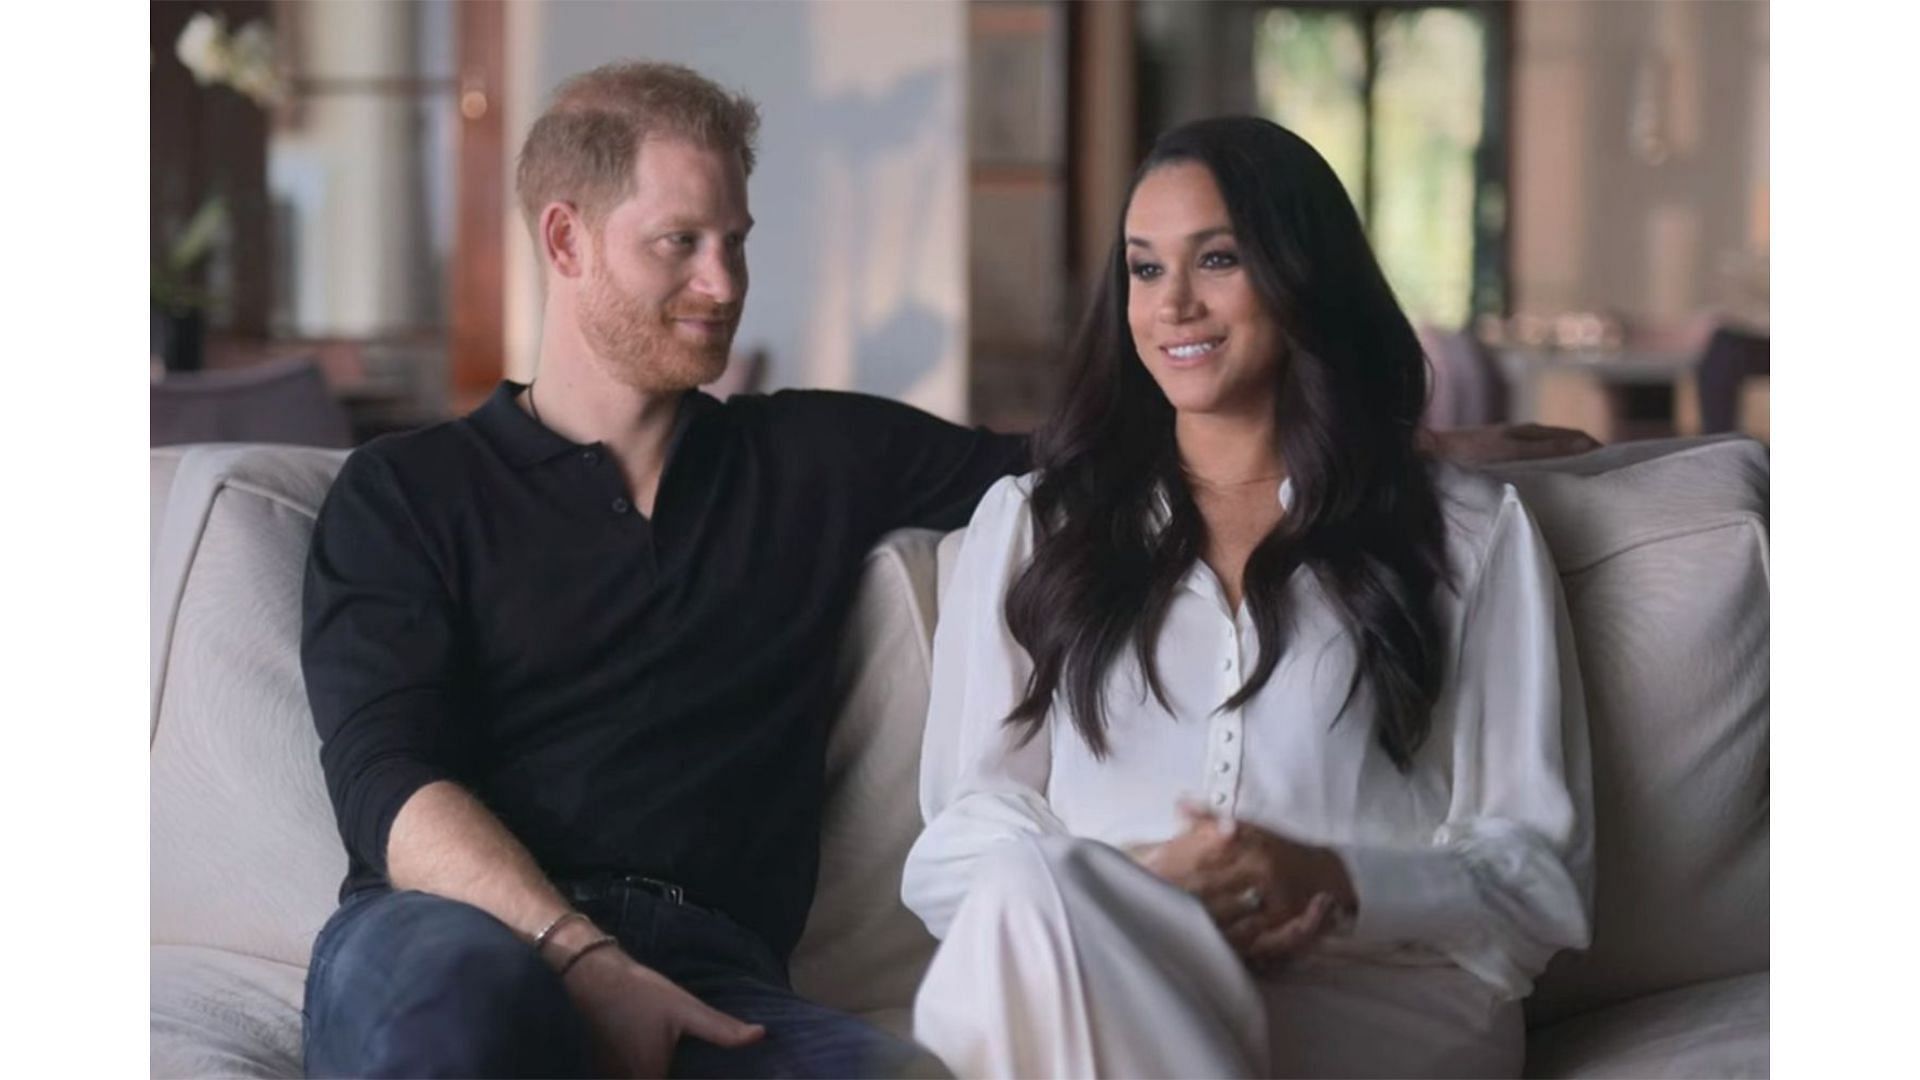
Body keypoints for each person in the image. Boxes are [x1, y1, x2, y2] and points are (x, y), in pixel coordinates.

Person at [301, 61, 1594, 1078]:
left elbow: (1112, 446)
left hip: (721, 971)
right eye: (681, 244)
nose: (727, 283)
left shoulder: (810, 456)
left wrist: (1412, 448)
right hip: (462, 935)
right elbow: (391, 782)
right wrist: (580, 961)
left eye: (738, 240)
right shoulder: (405, 495)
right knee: (459, 1028)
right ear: (566, 241)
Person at [901, 116, 1595, 1079]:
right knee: (1025, 894)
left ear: (1301, 273)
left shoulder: (1468, 533)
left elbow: (1539, 878)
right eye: (1145, 270)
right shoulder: (1035, 527)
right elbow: (953, 852)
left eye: (1216, 259)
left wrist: (1329, 878)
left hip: (1379, 1002)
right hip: (1112, 976)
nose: (1174, 304)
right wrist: (1143, 894)